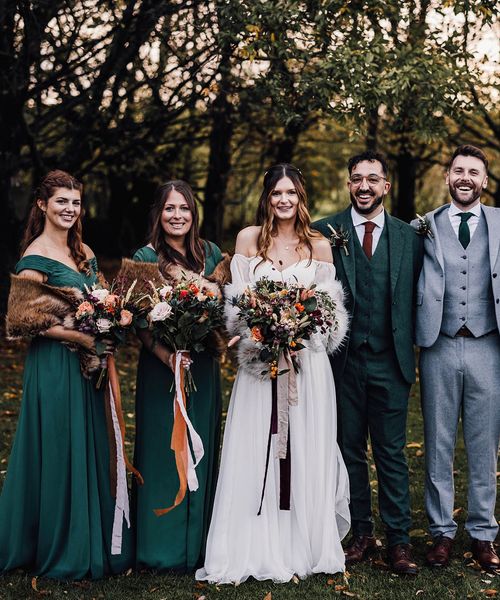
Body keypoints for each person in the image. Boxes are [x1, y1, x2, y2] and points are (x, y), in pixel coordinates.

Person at [196, 163, 350, 584]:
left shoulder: (318, 244)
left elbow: (331, 316)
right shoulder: (248, 239)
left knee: (303, 445)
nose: (285, 200)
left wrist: (298, 333)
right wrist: (263, 331)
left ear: (302, 198)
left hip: (307, 367)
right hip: (259, 366)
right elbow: (236, 309)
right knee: (256, 445)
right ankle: (253, 544)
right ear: (267, 198)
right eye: (277, 193)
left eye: (292, 194)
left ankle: (301, 542)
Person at [0, 170, 131, 579]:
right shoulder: (34, 259)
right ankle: (60, 545)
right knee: (59, 446)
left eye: (75, 202)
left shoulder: (84, 251)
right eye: (61, 201)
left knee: (91, 442)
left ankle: (93, 536)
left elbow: (100, 296)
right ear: (42, 205)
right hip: (55, 364)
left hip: (89, 363)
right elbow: (22, 320)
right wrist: (81, 335)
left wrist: (109, 320)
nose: (69, 209)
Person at [314, 151, 422, 575]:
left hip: (392, 363)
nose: (364, 186)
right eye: (356, 179)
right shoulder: (326, 232)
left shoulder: (410, 237)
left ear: (386, 186)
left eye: (372, 179)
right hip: (342, 364)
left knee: (392, 454)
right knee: (350, 451)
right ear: (347, 184)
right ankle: (361, 533)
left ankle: (399, 541)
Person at [412, 145, 500, 571]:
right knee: (438, 443)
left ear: (485, 180)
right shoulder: (423, 226)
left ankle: (483, 533)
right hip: (439, 343)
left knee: (485, 446)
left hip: (488, 344)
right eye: (459, 170)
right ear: (448, 176)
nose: (466, 178)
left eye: (474, 172)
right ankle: (442, 532)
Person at [131, 180, 224, 571]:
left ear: (193, 214)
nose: (177, 216)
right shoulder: (145, 256)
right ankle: (160, 547)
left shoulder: (213, 254)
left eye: (184, 209)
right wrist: (167, 356)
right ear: (159, 213)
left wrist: (217, 338)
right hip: (161, 371)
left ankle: (200, 545)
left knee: (202, 447)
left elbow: (223, 309)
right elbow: (138, 319)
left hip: (202, 367)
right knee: (161, 452)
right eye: (170, 209)